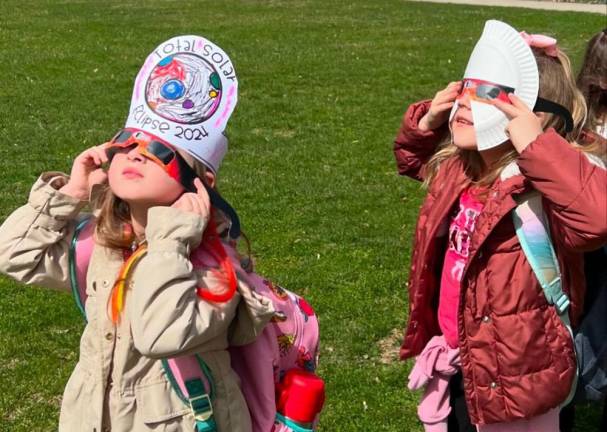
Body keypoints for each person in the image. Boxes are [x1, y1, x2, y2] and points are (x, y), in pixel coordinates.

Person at [0, 35, 276, 431]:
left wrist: (170, 240)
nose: (135, 154)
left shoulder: (214, 268)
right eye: (126, 143)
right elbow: (13, 256)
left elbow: (159, 334)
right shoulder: (104, 243)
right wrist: (71, 193)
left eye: (160, 152)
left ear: (201, 181)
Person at [394, 21, 607, 431]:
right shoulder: (461, 170)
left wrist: (536, 147)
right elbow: (413, 162)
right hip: (463, 360)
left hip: (521, 382)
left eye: (488, 94)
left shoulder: (542, 190)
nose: (466, 104)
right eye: (464, 90)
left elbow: (597, 217)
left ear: (529, 115)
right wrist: (426, 123)